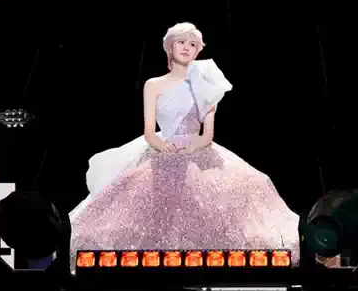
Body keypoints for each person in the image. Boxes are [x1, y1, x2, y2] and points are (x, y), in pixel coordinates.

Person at [68, 22, 300, 269]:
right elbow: (149, 131)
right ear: (169, 47)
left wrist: (194, 146)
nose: (187, 48)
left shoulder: (206, 83)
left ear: (198, 50)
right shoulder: (154, 84)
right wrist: (161, 145)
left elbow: (207, 133)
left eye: (193, 44)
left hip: (197, 150)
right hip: (161, 150)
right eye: (181, 42)